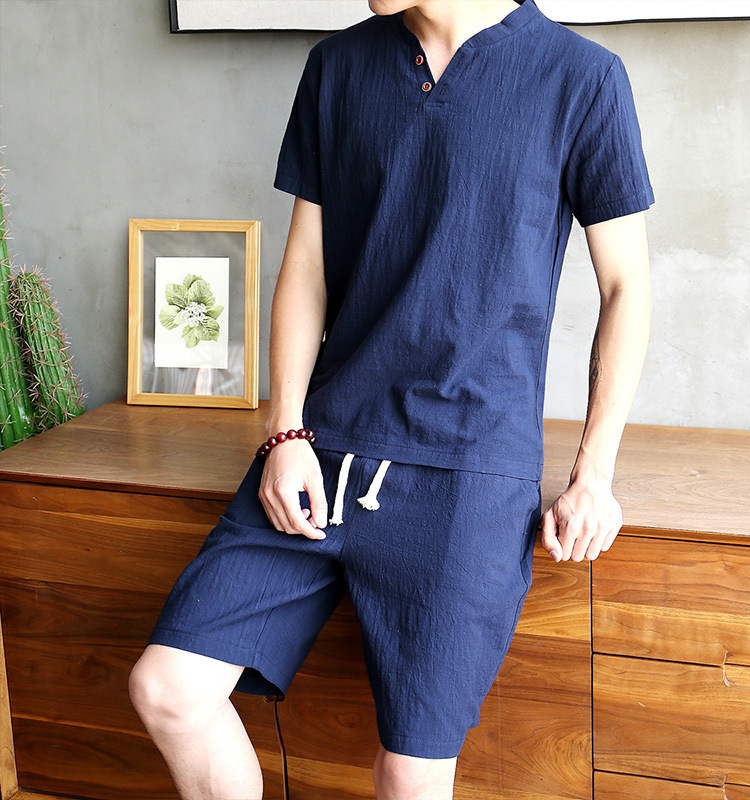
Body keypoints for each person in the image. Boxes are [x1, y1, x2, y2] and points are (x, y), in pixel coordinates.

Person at [128, 0, 654, 798]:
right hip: (321, 453)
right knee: (167, 690)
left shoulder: (582, 78)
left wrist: (595, 475)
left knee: (410, 772)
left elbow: (627, 290)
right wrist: (284, 431)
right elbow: (306, 265)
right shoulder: (337, 67)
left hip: (467, 475)